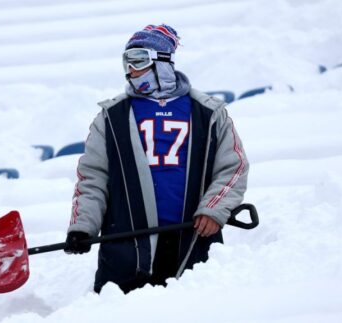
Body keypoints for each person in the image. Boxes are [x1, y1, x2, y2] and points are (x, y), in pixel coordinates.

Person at [64, 24, 249, 293]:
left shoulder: (208, 112)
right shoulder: (111, 117)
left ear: (163, 62)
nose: (130, 70)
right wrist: (82, 227)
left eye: (138, 59)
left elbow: (234, 167)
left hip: (193, 239)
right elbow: (92, 179)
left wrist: (214, 209)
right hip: (127, 247)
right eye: (126, 62)